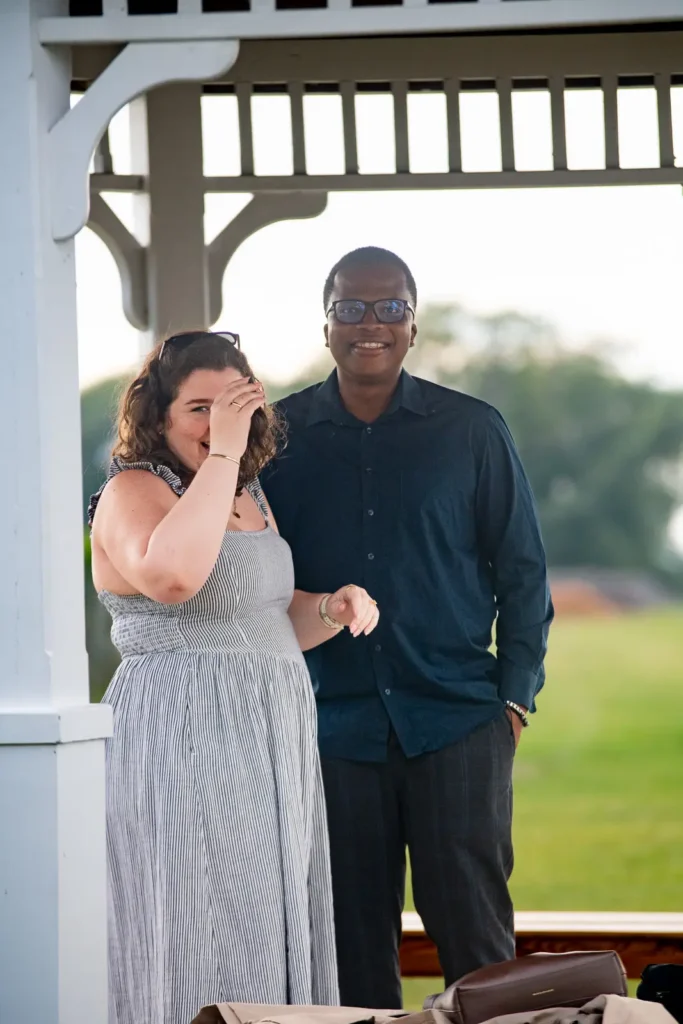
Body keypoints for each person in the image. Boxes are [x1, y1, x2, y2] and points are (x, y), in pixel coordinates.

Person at [260, 247, 554, 1009]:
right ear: (325, 324)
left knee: (476, 942)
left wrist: (513, 699)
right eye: (349, 307)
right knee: (351, 947)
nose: (370, 323)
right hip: (330, 729)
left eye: (389, 307)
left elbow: (522, 572)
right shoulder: (277, 439)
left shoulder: (471, 431)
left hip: (456, 719)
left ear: (413, 325)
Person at [88, 330, 380, 1024]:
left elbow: (264, 620)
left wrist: (330, 608)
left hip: (269, 736)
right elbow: (174, 577)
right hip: (186, 728)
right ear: (156, 416)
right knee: (203, 914)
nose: (218, 423)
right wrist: (222, 451)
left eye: (233, 406)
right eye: (198, 408)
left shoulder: (247, 492)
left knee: (259, 913)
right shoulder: (132, 489)